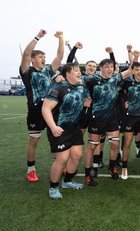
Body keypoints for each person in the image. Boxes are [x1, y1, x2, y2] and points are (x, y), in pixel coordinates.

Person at [83, 49, 133, 186]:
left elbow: (130, 70)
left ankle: (112, 167)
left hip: (112, 118)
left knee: (115, 144)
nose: (110, 69)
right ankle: (88, 173)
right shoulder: (92, 79)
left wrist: (135, 56)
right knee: (92, 147)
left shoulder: (115, 79)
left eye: (111, 67)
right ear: (101, 68)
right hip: (96, 118)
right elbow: (76, 81)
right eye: (106, 67)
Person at [19, 29, 64, 182]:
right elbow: (25, 54)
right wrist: (38, 36)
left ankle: (58, 164)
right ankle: (31, 169)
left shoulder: (48, 71)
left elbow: (59, 56)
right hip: (35, 111)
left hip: (51, 109)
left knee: (56, 137)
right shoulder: (27, 71)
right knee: (34, 140)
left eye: (44, 56)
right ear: (33, 59)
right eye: (40, 56)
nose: (44, 58)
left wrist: (61, 38)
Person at [41, 63, 88, 199]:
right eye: (76, 70)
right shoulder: (58, 88)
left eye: (79, 70)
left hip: (75, 128)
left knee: (77, 155)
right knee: (62, 158)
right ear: (67, 73)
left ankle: (67, 181)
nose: (79, 72)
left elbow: (83, 102)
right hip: (59, 129)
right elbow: (46, 109)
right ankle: (53, 187)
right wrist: (53, 127)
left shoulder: (79, 87)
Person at [120, 53, 140, 179]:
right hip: (130, 117)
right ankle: (124, 167)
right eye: (137, 69)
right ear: (132, 71)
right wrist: (124, 102)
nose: (139, 72)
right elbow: (115, 92)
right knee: (127, 142)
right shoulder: (127, 82)